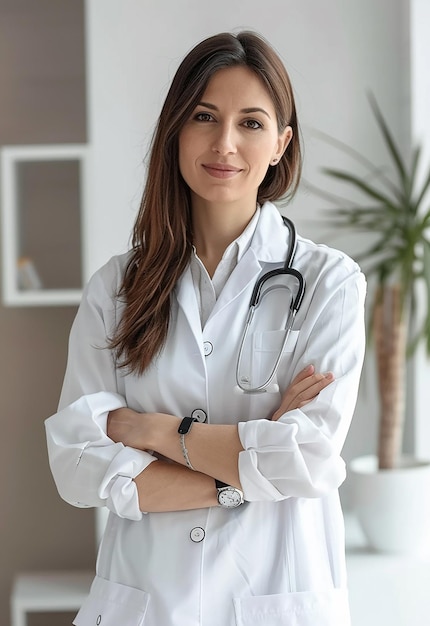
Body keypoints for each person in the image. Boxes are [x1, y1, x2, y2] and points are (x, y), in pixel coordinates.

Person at [45, 31, 366, 626]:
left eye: (251, 123)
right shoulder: (116, 288)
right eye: (204, 116)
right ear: (176, 131)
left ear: (280, 144)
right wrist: (249, 458)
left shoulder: (330, 283)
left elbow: (309, 458)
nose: (225, 143)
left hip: (276, 599)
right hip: (147, 601)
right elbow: (77, 463)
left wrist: (151, 429)